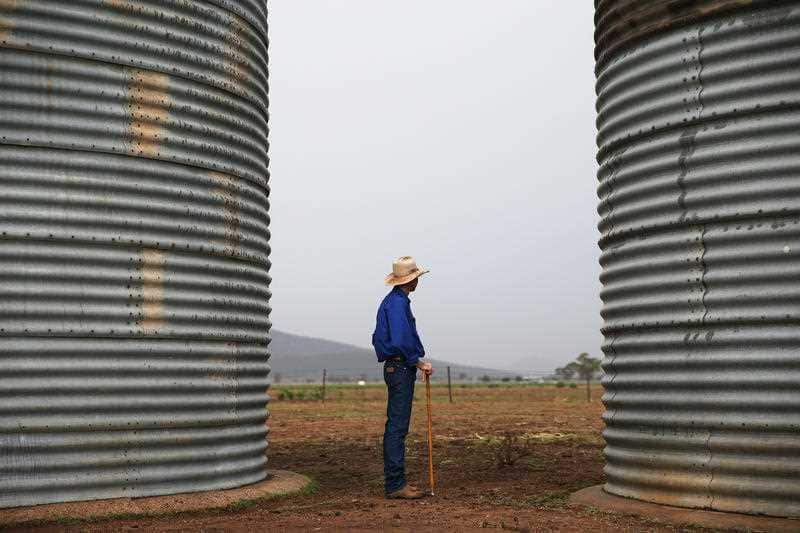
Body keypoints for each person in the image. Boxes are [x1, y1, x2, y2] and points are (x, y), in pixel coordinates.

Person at [372, 256, 433, 499]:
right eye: (416, 276)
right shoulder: (397, 304)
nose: (418, 280)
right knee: (397, 427)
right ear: (411, 279)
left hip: (396, 367)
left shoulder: (394, 302)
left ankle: (396, 482)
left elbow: (378, 337)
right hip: (400, 368)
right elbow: (399, 340)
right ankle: (396, 484)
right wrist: (417, 362)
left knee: (396, 426)